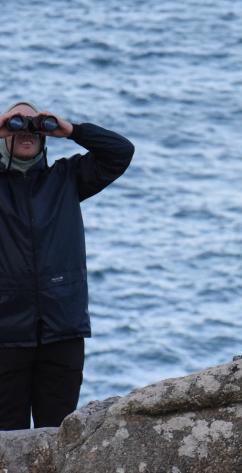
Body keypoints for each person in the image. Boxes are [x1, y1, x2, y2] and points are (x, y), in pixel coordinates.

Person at [0, 101, 134, 430]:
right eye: (18, 124)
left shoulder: (67, 178)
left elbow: (120, 152)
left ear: (46, 137)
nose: (27, 131)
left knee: (58, 435)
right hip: (5, 334)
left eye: (36, 125)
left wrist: (72, 130)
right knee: (5, 440)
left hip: (63, 330)